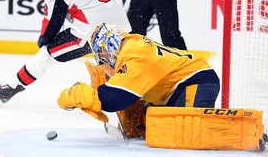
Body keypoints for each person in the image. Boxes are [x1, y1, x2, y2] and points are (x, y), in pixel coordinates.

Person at [0, 0, 131, 108]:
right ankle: (125, 97)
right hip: (119, 26)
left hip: (92, 33)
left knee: (47, 54)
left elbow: (53, 21)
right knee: (118, 65)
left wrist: (43, 40)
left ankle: (9, 89)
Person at [57, 23, 220, 138]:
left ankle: (228, 132)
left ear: (110, 43)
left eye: (101, 52)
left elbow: (117, 97)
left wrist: (86, 96)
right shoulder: (132, 45)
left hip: (196, 80)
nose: (102, 59)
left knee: (190, 135)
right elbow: (131, 90)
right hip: (179, 86)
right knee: (161, 131)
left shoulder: (135, 55)